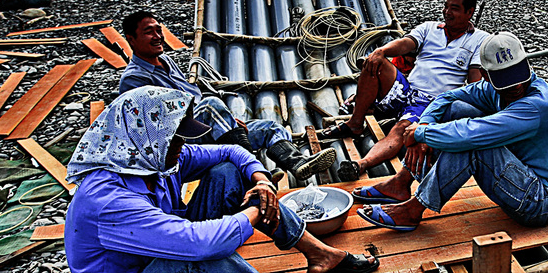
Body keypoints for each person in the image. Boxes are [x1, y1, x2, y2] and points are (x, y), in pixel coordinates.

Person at [64, 86, 379, 273]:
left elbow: (230, 151)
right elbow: (197, 246)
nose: (182, 148)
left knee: (228, 171)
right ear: (147, 138)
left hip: (159, 246)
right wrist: (255, 210)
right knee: (209, 258)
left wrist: (264, 182)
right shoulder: (108, 201)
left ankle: (320, 253)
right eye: (175, 140)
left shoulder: (152, 159)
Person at [353, 30, 548, 232]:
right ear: (486, 76)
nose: (516, 86)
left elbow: (472, 134)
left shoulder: (536, 104)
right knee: (456, 109)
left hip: (543, 201)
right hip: (523, 178)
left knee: (472, 144)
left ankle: (413, 210)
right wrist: (423, 125)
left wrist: (420, 134)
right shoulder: (492, 88)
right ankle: (400, 183)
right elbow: (447, 97)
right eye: (505, 81)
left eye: (517, 76)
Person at [120, 11, 335, 182]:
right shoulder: (133, 80)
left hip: (205, 126)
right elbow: (152, 129)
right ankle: (253, 168)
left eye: (159, 30)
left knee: (271, 128)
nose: (158, 36)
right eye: (150, 32)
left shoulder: (166, 60)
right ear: (131, 39)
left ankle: (297, 164)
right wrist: (213, 114)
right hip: (182, 142)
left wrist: (227, 121)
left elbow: (192, 95)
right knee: (212, 104)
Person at [320, 0, 490, 182]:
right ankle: (356, 122)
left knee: (401, 129)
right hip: (408, 91)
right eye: (446, 6)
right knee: (374, 62)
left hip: (431, 103)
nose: (447, 12)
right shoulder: (429, 28)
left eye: (454, 8)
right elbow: (406, 43)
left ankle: (362, 163)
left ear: (470, 12)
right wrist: (381, 51)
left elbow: (474, 83)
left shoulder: (480, 40)